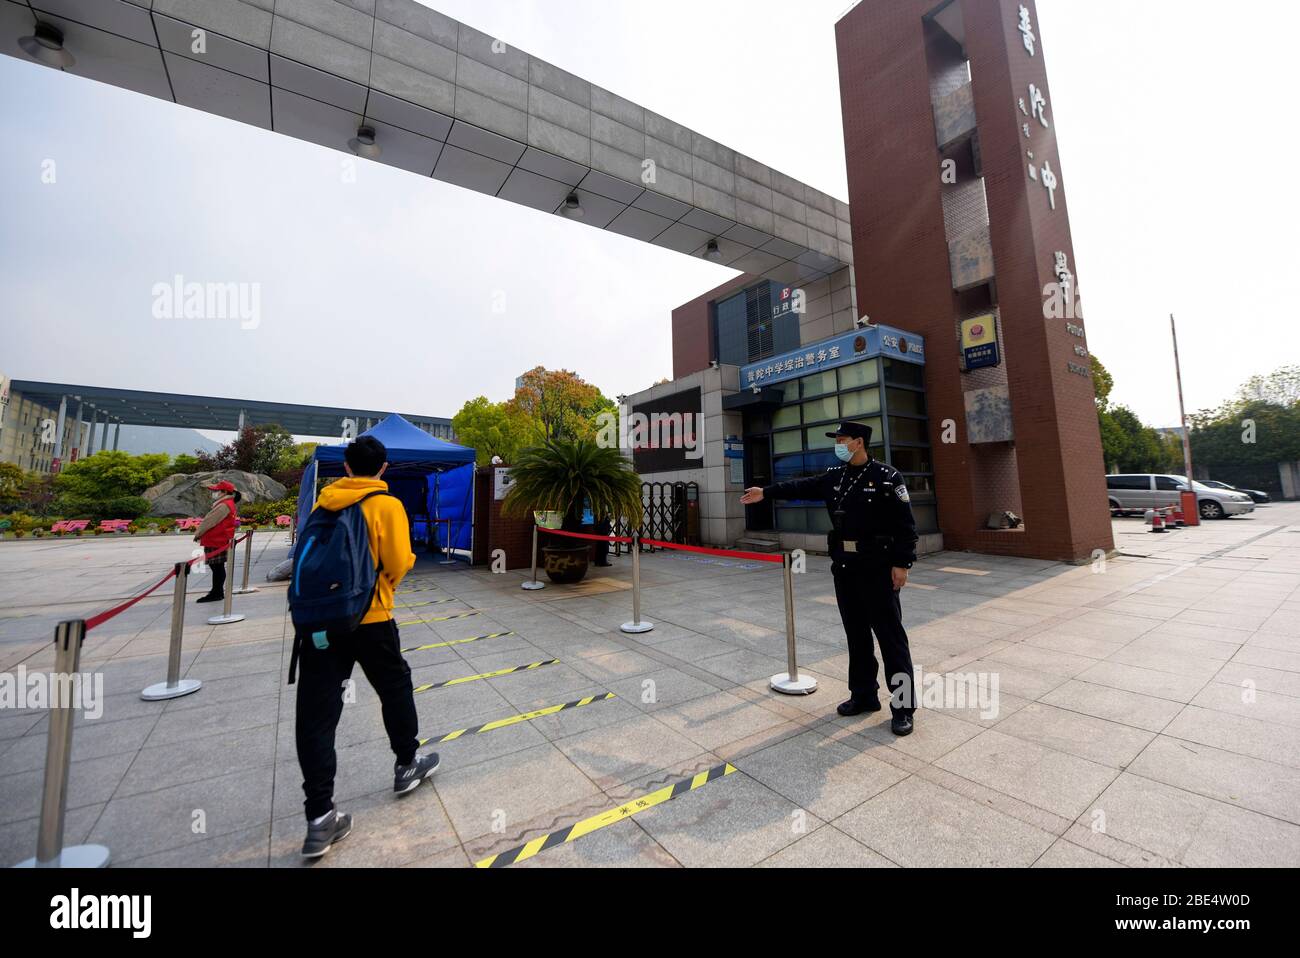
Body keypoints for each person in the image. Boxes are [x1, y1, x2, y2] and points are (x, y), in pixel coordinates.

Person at [293, 436, 439, 859]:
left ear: (345, 465)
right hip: (372, 619)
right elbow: (398, 560)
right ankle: (406, 763)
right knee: (394, 687)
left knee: (317, 715)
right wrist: (383, 588)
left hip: (319, 624)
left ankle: (319, 817)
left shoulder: (324, 503)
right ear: (384, 468)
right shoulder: (386, 505)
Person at [741, 422, 919, 736]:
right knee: (857, 636)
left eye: (842, 439)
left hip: (878, 569)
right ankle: (864, 695)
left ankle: (903, 707)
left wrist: (902, 563)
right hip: (846, 569)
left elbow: (906, 525)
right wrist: (764, 492)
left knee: (891, 639)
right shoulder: (835, 476)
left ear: (859, 442)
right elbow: (799, 486)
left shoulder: (888, 478)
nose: (837, 444)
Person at [193, 481, 239, 603]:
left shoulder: (224, 505)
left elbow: (209, 521)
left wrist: (198, 533)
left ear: (224, 492)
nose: (214, 493)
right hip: (219, 538)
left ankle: (217, 592)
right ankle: (216, 591)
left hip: (216, 539)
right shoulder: (227, 503)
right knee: (217, 567)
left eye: (216, 491)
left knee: (217, 567)